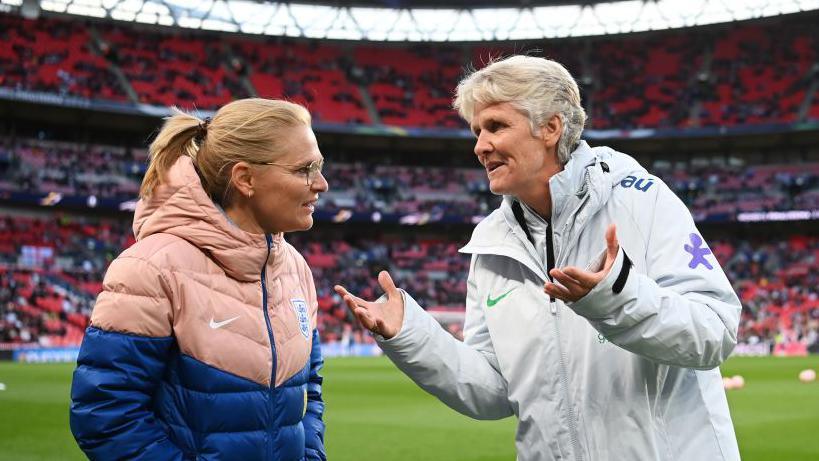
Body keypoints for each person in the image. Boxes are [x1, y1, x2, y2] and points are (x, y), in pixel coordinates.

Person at [335, 56, 741, 461]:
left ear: (550, 127)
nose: (480, 146)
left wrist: (615, 297)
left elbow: (715, 331)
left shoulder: (642, 200)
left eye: (496, 126)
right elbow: (493, 389)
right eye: (476, 131)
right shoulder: (491, 245)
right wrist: (412, 336)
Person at [70, 98, 328, 461]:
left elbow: (310, 392)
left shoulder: (296, 269)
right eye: (305, 169)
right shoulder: (152, 268)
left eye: (319, 166)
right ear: (245, 178)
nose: (322, 183)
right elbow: (106, 416)